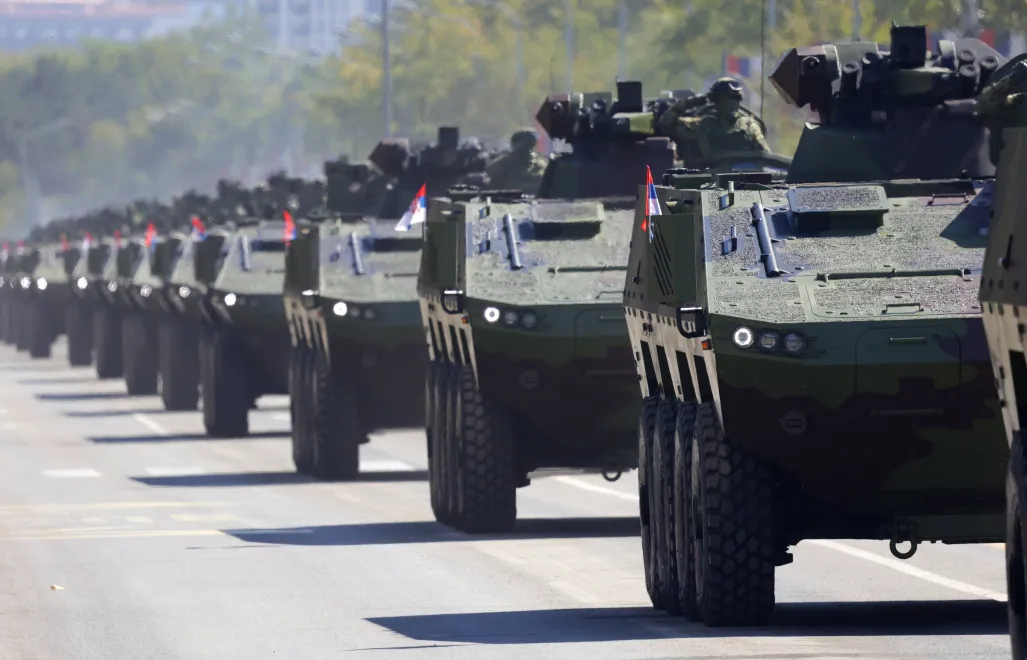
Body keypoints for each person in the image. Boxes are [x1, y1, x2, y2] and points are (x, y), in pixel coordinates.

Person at [658, 77, 770, 164]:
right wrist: (691, 102)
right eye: (727, 99)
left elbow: (765, 157)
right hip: (711, 179)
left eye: (734, 99)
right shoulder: (704, 124)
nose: (731, 103)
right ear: (717, 101)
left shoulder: (749, 125)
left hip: (742, 179)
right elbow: (666, 123)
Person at [480, 129, 549, 193]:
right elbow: (488, 182)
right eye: (525, 146)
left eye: (529, 146)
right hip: (508, 201)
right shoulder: (503, 164)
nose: (526, 150)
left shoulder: (540, 165)